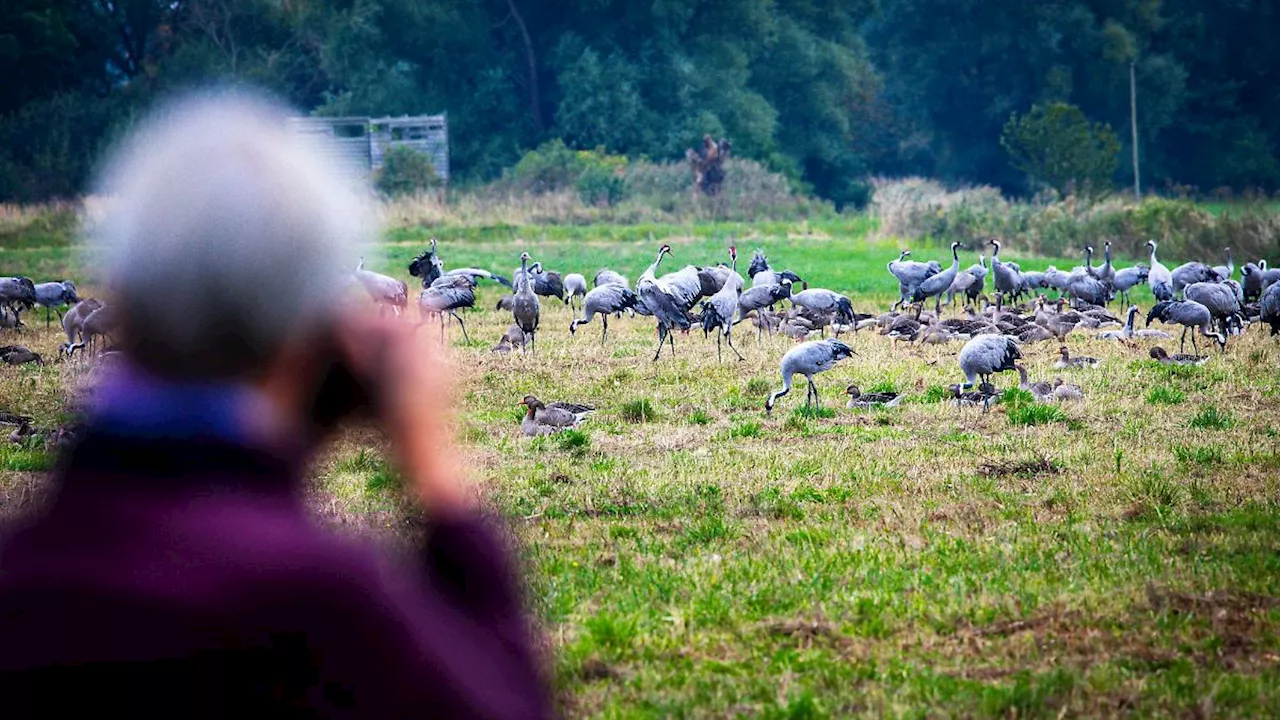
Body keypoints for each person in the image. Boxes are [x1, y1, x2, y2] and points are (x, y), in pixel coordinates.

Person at [0, 90, 553, 718]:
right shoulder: (327, 606)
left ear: (121, 296)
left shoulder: (17, 584)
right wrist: (435, 475)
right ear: (321, 335)